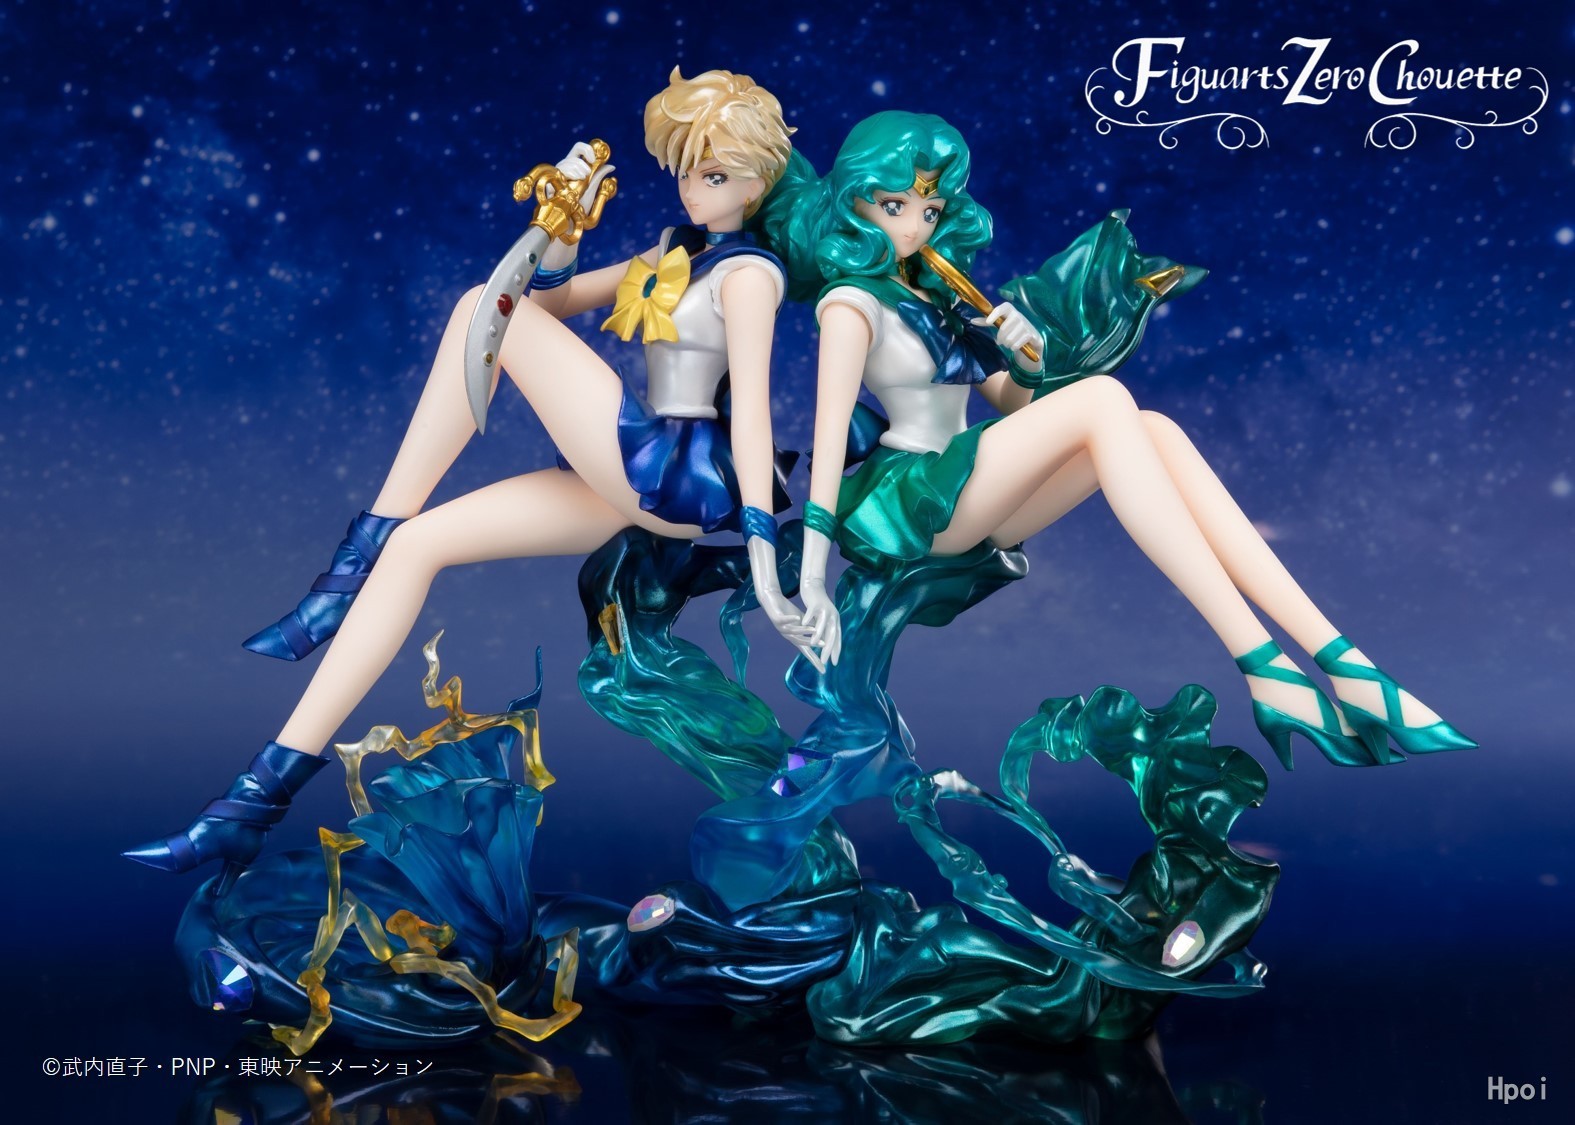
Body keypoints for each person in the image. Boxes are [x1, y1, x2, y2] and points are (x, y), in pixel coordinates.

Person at [125, 67, 813, 887]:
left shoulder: (750, 276)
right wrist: (565, 228)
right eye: (685, 169)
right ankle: (248, 806)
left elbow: (752, 416)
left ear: (759, 179)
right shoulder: (676, 249)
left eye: (714, 174)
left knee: (474, 308)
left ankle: (345, 571)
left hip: (673, 474)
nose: (693, 188)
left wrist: (766, 558)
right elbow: (543, 301)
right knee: (420, 545)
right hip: (622, 470)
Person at [768, 110, 1473, 770]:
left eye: (928, 210)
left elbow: (1016, 405)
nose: (914, 227)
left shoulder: (938, 292)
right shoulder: (849, 304)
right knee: (1104, 398)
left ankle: (1341, 660)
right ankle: (1263, 663)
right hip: (916, 504)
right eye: (894, 206)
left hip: (972, 488)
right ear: (855, 200)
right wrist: (812, 580)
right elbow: (827, 438)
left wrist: (1025, 356)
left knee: (1152, 429)